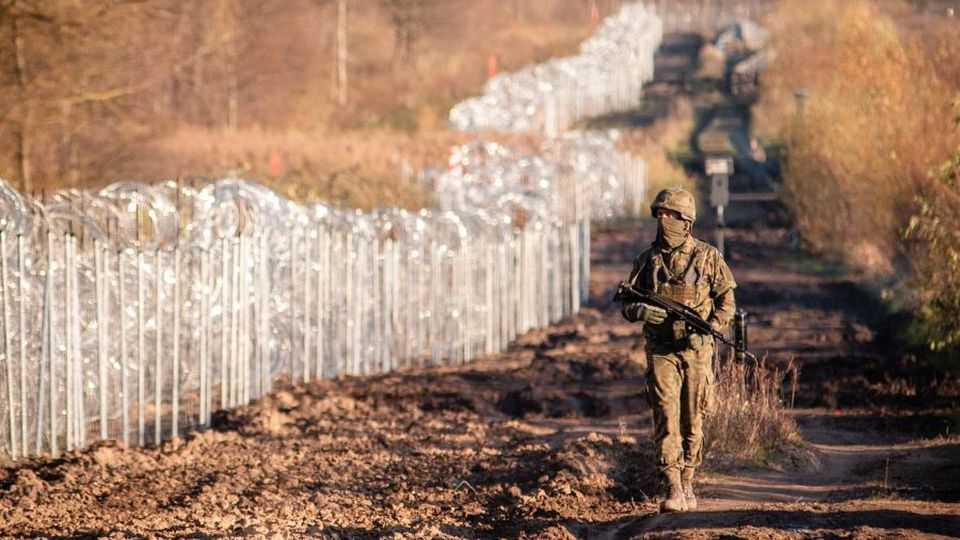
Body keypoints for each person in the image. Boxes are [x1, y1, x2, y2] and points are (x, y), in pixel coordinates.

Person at [620, 187, 737, 512]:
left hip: (696, 351)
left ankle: (687, 479)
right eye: (659, 214)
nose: (663, 219)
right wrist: (640, 311)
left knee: (693, 417)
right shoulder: (647, 261)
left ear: (685, 220)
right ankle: (671, 485)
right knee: (666, 416)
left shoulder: (708, 257)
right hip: (661, 350)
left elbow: (727, 302)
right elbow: (626, 303)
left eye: (669, 214)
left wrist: (711, 328)